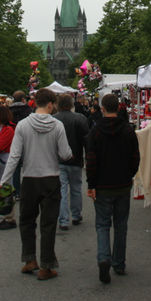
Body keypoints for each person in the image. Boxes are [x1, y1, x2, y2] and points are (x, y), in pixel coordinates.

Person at [0, 88, 73, 281]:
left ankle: (29, 259)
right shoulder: (57, 126)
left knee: (27, 221)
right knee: (48, 224)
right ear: (50, 104)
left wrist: (4, 180)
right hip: (51, 177)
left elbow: (14, 156)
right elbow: (65, 154)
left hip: (30, 178)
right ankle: (47, 266)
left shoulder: (23, 125)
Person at [86, 93, 140, 284]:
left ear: (102, 109)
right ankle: (119, 262)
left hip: (102, 185)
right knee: (121, 224)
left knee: (102, 224)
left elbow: (91, 161)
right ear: (118, 108)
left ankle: (103, 258)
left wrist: (91, 184)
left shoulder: (95, 131)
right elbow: (136, 157)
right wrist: (129, 175)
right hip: (122, 184)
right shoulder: (127, 130)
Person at [53, 93, 88, 230]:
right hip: (76, 158)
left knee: (62, 190)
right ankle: (76, 214)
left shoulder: (54, 120)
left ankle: (63, 219)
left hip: (59, 160)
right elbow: (86, 140)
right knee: (76, 188)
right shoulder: (80, 119)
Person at [8, 91, 32, 198]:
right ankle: (28, 191)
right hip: (27, 141)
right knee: (28, 167)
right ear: (23, 99)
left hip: (13, 140)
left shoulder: (9, 111)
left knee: (15, 168)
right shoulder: (28, 110)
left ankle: (17, 191)